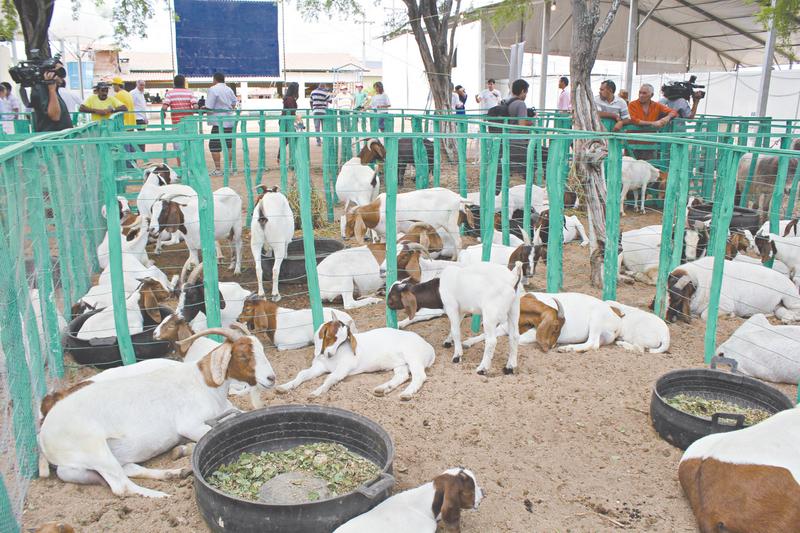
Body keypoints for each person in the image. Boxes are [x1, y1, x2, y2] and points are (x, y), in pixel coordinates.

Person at [627, 83, 677, 160]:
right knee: (630, 165)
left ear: (651, 95)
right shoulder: (632, 104)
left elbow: (673, 112)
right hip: (633, 144)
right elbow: (634, 120)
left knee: (648, 165)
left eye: (644, 93)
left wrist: (667, 118)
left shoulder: (657, 105)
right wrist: (653, 123)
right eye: (640, 92)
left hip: (649, 143)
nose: (641, 95)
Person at [23, 59, 73, 132]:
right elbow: (55, 116)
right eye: (59, 71)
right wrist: (51, 89)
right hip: (53, 136)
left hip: (62, 135)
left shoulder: (54, 89)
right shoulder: (40, 89)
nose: (62, 76)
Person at [205, 72, 238, 176]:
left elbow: (209, 106)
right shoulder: (229, 89)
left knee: (214, 146)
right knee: (229, 145)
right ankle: (229, 168)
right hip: (229, 120)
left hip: (218, 122)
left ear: (215, 79)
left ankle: (218, 169)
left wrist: (203, 108)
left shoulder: (213, 89)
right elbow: (234, 103)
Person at [161, 74, 197, 166]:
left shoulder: (170, 93)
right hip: (189, 125)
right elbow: (195, 106)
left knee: (178, 149)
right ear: (184, 83)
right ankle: (190, 168)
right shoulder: (190, 92)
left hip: (177, 125)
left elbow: (164, 107)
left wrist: (163, 113)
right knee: (190, 148)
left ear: (174, 83)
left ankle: (181, 168)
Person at [278, 81, 300, 162]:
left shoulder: (288, 98)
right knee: (291, 139)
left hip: (286, 121)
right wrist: (298, 120)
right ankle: (292, 159)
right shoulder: (290, 99)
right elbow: (292, 111)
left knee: (286, 140)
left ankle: (280, 158)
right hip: (287, 122)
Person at [132, 80, 148, 151]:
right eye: (141, 85)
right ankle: (139, 152)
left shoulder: (141, 93)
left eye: (143, 85)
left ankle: (142, 152)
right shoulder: (133, 93)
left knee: (143, 136)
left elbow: (142, 107)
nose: (142, 87)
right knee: (138, 136)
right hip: (136, 118)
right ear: (137, 85)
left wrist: (145, 117)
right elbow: (130, 105)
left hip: (142, 119)